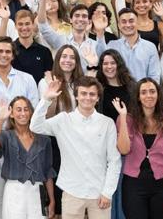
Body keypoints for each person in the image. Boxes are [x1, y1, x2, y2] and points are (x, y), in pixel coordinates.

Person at [31, 77, 121, 219]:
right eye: (83, 93)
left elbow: (114, 161)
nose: (88, 97)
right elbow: (35, 127)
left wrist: (107, 192)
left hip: (99, 193)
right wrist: (46, 100)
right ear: (77, 96)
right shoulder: (63, 120)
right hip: (71, 191)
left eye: (92, 94)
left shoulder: (107, 123)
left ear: (98, 98)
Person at [113, 79, 163, 219]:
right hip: (133, 185)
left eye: (152, 91)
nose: (148, 95)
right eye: (143, 92)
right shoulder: (127, 120)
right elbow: (124, 150)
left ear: (158, 95)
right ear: (138, 97)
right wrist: (123, 117)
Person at [0, 96, 55, 218]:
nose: (23, 113)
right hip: (14, 190)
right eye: (18, 110)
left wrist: (52, 200)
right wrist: (0, 120)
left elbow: (48, 172)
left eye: (26, 109)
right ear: (11, 114)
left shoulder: (44, 139)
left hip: (38, 191)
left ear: (31, 112)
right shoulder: (6, 136)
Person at [92, 8, 161, 81]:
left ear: (137, 23)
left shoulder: (150, 47)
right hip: (118, 88)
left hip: (142, 88)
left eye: (131, 21)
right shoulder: (112, 45)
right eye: (124, 22)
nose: (127, 25)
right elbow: (102, 58)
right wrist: (100, 32)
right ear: (119, 25)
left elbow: (154, 76)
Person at [11, 10, 54, 82]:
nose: (24, 28)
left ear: (33, 25)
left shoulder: (44, 52)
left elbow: (49, 77)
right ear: (15, 26)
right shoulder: (9, 50)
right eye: (20, 24)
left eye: (27, 24)